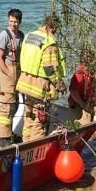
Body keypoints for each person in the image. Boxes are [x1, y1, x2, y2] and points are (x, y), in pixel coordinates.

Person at [16, 13, 66, 142]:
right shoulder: (49, 43)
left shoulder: (29, 36)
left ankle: (25, 143)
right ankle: (34, 147)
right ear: (52, 26)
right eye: (56, 28)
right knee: (40, 120)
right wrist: (59, 84)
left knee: (29, 116)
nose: (56, 31)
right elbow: (50, 68)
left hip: (25, 84)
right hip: (39, 88)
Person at [0, 9, 24, 147]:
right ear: (8, 20)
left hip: (17, 69)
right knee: (7, 105)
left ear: (20, 22)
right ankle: (3, 137)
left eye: (16, 22)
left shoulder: (21, 35)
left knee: (15, 104)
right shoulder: (3, 35)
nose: (13, 24)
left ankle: (8, 133)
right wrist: (8, 73)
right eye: (11, 21)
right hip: (7, 70)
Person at [68, 47, 96, 126]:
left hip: (87, 104)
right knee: (83, 127)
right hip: (78, 106)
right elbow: (73, 91)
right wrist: (83, 104)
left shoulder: (90, 74)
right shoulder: (79, 74)